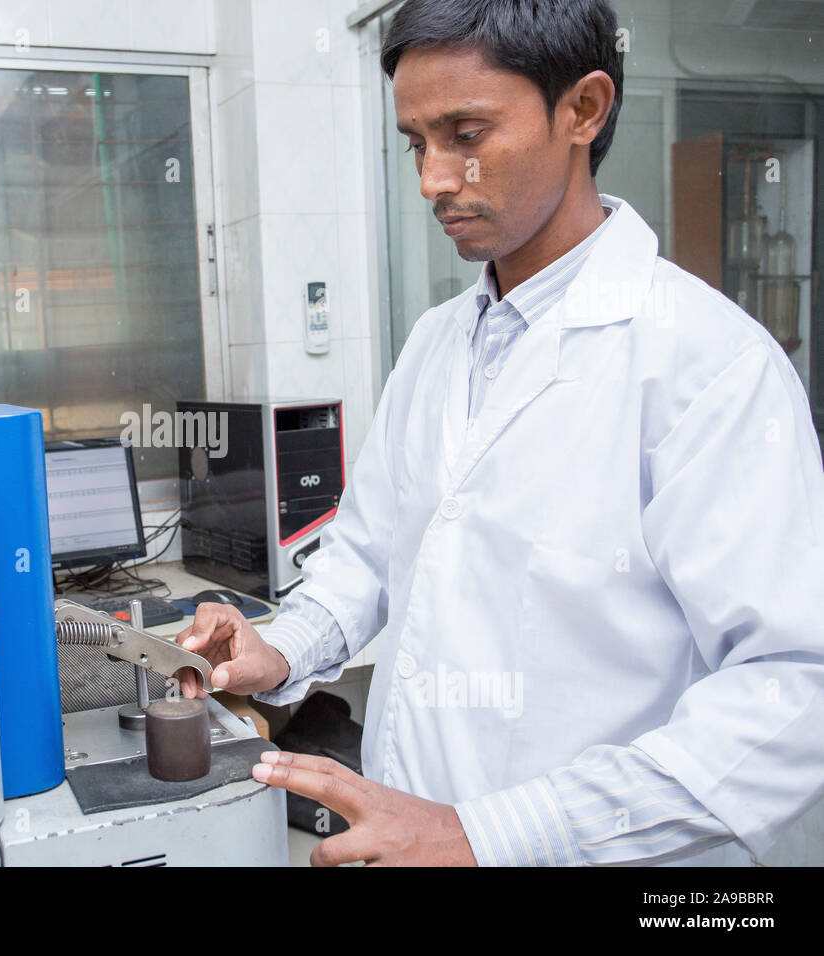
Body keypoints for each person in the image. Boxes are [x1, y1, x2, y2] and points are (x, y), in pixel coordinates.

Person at [175, 0, 824, 866]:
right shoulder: (438, 341)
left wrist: (492, 833)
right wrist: (279, 647)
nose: (433, 180)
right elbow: (365, 559)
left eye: (467, 133)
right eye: (415, 143)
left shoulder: (708, 365)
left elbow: (793, 691)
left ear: (583, 111)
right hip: (410, 833)